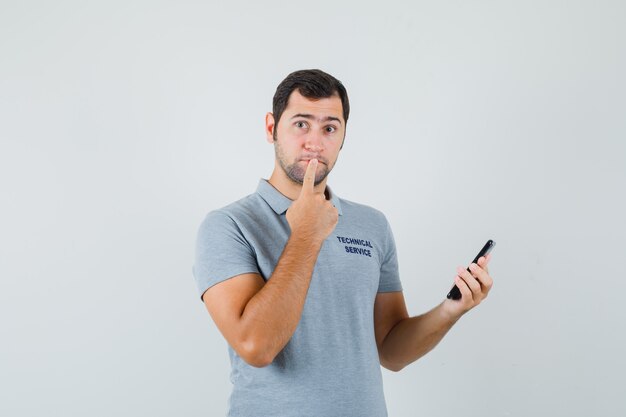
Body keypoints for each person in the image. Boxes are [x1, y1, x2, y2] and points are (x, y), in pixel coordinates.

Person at [193, 69, 494, 417]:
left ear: (344, 135)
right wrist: (305, 234)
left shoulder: (372, 224)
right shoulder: (229, 225)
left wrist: (450, 310)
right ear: (271, 128)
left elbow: (391, 351)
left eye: (330, 128)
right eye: (301, 124)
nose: (315, 142)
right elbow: (256, 347)